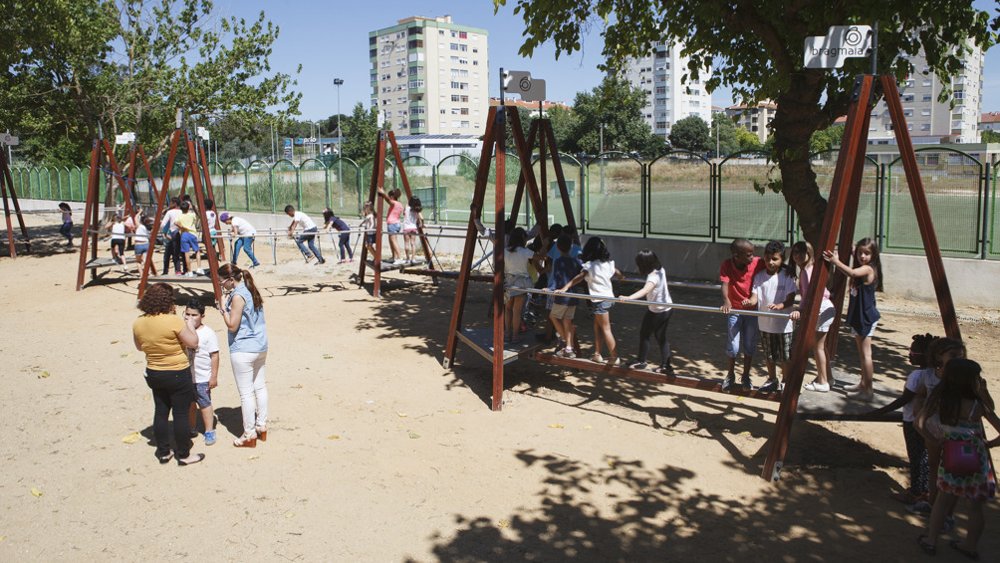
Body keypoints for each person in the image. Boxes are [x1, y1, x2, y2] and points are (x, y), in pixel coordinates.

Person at [916, 358, 1000, 558]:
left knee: (942, 501)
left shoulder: (941, 400)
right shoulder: (978, 405)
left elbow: (919, 422)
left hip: (952, 455)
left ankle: (931, 540)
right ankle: (970, 546)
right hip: (977, 458)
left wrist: (935, 439)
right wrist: (989, 444)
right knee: (975, 505)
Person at [132, 282, 204, 466]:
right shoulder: (173, 321)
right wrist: (190, 326)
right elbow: (193, 342)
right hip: (177, 372)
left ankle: (163, 452)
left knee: (161, 411)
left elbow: (140, 347)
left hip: (154, 372)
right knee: (180, 413)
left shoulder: (139, 322)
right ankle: (184, 454)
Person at [867, 333, 937, 510]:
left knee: (916, 457)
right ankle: (925, 490)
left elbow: (904, 399)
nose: (909, 354)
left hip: (913, 422)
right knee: (926, 457)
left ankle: (915, 493)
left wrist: (880, 412)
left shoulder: (916, 376)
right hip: (930, 422)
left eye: (913, 351)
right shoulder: (935, 374)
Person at [217, 263, 269, 448]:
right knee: (260, 387)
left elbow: (232, 325)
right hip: (260, 345)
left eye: (222, 281)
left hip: (244, 347)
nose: (221, 285)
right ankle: (261, 425)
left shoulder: (238, 296)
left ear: (231, 280)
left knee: (246, 393)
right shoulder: (251, 290)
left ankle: (249, 434)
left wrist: (223, 309)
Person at [823, 237, 882, 399]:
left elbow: (852, 272)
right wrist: (850, 248)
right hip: (859, 317)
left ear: (874, 255)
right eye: (860, 253)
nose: (862, 256)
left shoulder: (868, 269)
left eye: (867, 253)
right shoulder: (863, 264)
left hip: (866, 317)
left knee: (866, 354)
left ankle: (868, 390)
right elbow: (853, 249)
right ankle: (863, 383)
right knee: (862, 355)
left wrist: (836, 261)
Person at [558, 236, 623, 365]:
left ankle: (614, 357)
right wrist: (621, 277)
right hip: (607, 298)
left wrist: (565, 287)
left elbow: (579, 277)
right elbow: (618, 273)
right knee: (597, 326)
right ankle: (597, 354)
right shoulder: (608, 263)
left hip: (600, 300)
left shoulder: (590, 266)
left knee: (605, 328)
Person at [745, 241, 796, 393]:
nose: (770, 262)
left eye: (775, 259)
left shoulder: (787, 276)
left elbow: (791, 297)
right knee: (769, 354)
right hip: (765, 324)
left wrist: (780, 306)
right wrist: (750, 302)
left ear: (782, 259)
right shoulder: (760, 276)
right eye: (767, 259)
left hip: (784, 324)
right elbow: (755, 296)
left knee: (785, 356)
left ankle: (786, 380)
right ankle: (772, 379)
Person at [789, 241, 836, 392]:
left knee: (818, 347)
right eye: (795, 252)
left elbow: (809, 295)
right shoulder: (812, 269)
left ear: (809, 253)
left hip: (821, 308)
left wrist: (800, 310)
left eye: (801, 252)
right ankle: (827, 377)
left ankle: (823, 382)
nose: (797, 255)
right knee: (822, 346)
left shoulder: (806, 271)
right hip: (826, 307)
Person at [720, 238, 763, 391]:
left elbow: (775, 264)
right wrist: (726, 301)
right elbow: (725, 283)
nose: (752, 257)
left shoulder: (757, 262)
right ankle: (730, 374)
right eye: (748, 255)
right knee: (733, 344)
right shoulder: (727, 264)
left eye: (752, 254)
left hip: (752, 311)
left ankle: (745, 375)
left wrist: (788, 268)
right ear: (736, 256)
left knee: (750, 344)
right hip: (735, 311)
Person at [622, 249, 674, 375]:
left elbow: (645, 290)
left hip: (659, 311)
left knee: (655, 336)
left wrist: (629, 298)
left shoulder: (653, 277)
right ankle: (645, 361)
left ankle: (662, 365)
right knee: (650, 334)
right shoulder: (660, 269)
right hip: (662, 308)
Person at [183, 300, 220, 446]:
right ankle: (191, 428)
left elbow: (215, 355)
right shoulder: (182, 330)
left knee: (204, 403)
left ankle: (209, 430)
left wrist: (213, 376)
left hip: (202, 377)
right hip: (186, 376)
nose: (190, 318)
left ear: (202, 316)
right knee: (189, 404)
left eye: (194, 315)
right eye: (187, 314)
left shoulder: (208, 333)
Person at [503, 227, 541, 343]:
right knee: (517, 311)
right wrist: (544, 247)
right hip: (522, 283)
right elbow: (540, 257)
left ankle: (506, 334)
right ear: (522, 239)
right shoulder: (525, 252)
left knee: (508, 309)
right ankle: (515, 336)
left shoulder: (505, 250)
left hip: (508, 281)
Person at [547, 233, 581, 358]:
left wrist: (551, 289)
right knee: (567, 321)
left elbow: (556, 279)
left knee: (553, 316)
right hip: (573, 296)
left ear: (558, 247)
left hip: (562, 296)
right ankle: (569, 348)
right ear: (571, 247)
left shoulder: (558, 261)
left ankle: (564, 340)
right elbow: (581, 274)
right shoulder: (575, 261)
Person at [376, 188, 404, 263]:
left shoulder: (394, 203)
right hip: (396, 224)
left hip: (393, 224)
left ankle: (399, 257)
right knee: (391, 241)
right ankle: (394, 256)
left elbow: (388, 200)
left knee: (394, 241)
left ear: (392, 196)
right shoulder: (400, 204)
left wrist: (383, 193)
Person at [176, 201, 200, 275]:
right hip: (192, 233)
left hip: (184, 234)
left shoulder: (179, 216)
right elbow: (198, 216)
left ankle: (189, 271)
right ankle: (199, 268)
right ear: (188, 207)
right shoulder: (192, 215)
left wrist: (182, 227)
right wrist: (194, 208)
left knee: (186, 253)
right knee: (197, 251)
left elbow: (176, 222)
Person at [160, 197, 183, 275]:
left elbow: (163, 224)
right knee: (176, 253)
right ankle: (178, 270)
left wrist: (164, 233)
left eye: (171, 202)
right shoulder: (182, 212)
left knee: (167, 254)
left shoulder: (170, 212)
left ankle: (165, 271)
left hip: (171, 233)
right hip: (180, 234)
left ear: (174, 204)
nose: (169, 204)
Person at [402, 196, 424, 265]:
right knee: (413, 243)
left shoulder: (407, 207)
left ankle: (408, 258)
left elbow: (404, 213)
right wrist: (421, 224)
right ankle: (413, 258)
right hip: (413, 227)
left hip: (406, 227)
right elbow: (422, 218)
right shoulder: (416, 210)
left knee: (406, 243)